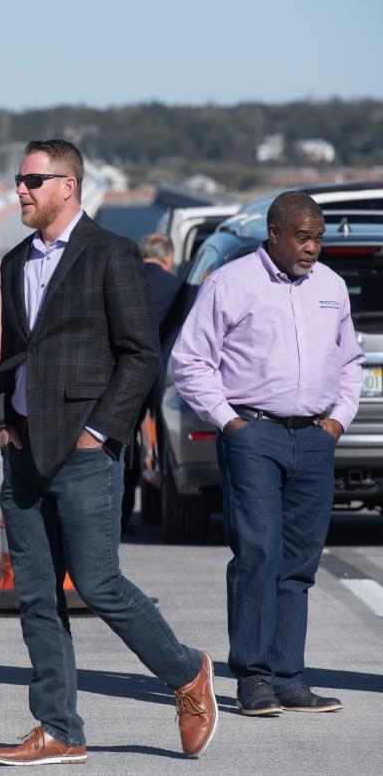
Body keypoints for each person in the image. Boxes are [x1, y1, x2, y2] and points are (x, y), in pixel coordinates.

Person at [0, 139, 217, 765]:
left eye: (32, 180)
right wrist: (1, 422)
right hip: (22, 448)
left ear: (67, 185)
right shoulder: (15, 260)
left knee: (98, 583)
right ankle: (59, 729)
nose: (19, 190)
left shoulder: (112, 255)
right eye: (18, 180)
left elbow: (140, 354)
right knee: (38, 593)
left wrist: (99, 432)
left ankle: (186, 674)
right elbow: (15, 351)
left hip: (84, 449)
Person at [172, 191, 363, 716]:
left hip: (315, 440)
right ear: (274, 233)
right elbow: (190, 361)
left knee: (300, 563)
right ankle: (253, 678)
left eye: (319, 238)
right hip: (254, 434)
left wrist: (335, 423)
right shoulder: (231, 282)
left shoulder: (331, 286)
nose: (312, 248)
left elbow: (351, 362)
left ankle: (289, 677)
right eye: (303, 237)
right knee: (258, 555)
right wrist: (230, 422)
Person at [121, 233, 182, 529]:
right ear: (168, 258)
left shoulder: (124, 281)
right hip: (160, 375)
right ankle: (164, 507)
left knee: (125, 444)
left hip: (124, 374)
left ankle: (121, 514)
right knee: (166, 444)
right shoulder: (177, 288)